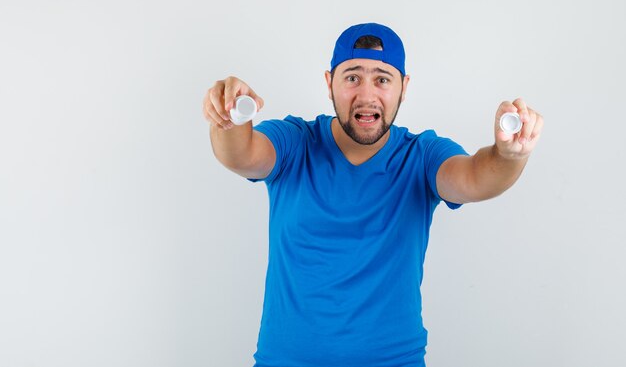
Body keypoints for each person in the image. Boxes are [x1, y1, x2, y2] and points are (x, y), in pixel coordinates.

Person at [203, 23, 543, 367]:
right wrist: (228, 121)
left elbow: (475, 178)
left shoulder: (422, 155)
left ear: (403, 87)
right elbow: (241, 154)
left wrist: (508, 156)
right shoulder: (295, 142)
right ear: (329, 83)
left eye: (382, 78)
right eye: (352, 77)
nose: (366, 95)